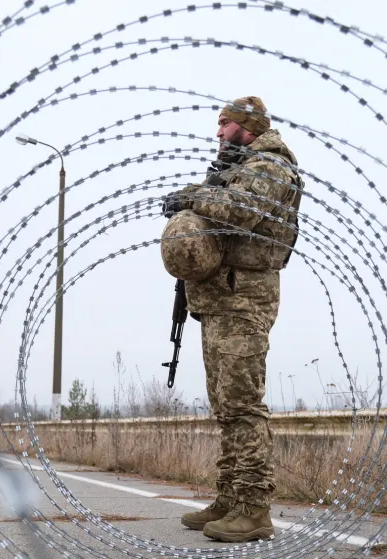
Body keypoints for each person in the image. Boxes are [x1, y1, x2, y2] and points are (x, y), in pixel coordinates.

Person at [160, 96, 303, 542]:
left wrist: (193, 196)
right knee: (225, 407)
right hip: (220, 298)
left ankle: (254, 508)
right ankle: (230, 497)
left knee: (243, 405)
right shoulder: (235, 168)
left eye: (225, 124)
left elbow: (245, 211)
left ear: (249, 126)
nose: (218, 132)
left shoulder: (271, 165)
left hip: (245, 299)